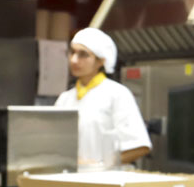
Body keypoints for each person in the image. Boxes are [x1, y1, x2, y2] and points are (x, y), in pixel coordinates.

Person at [53, 28, 150, 171]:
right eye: (72, 52)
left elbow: (140, 146)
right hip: (71, 181)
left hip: (107, 184)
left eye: (83, 55)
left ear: (101, 61)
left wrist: (100, 165)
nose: (74, 60)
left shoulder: (117, 94)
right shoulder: (64, 99)